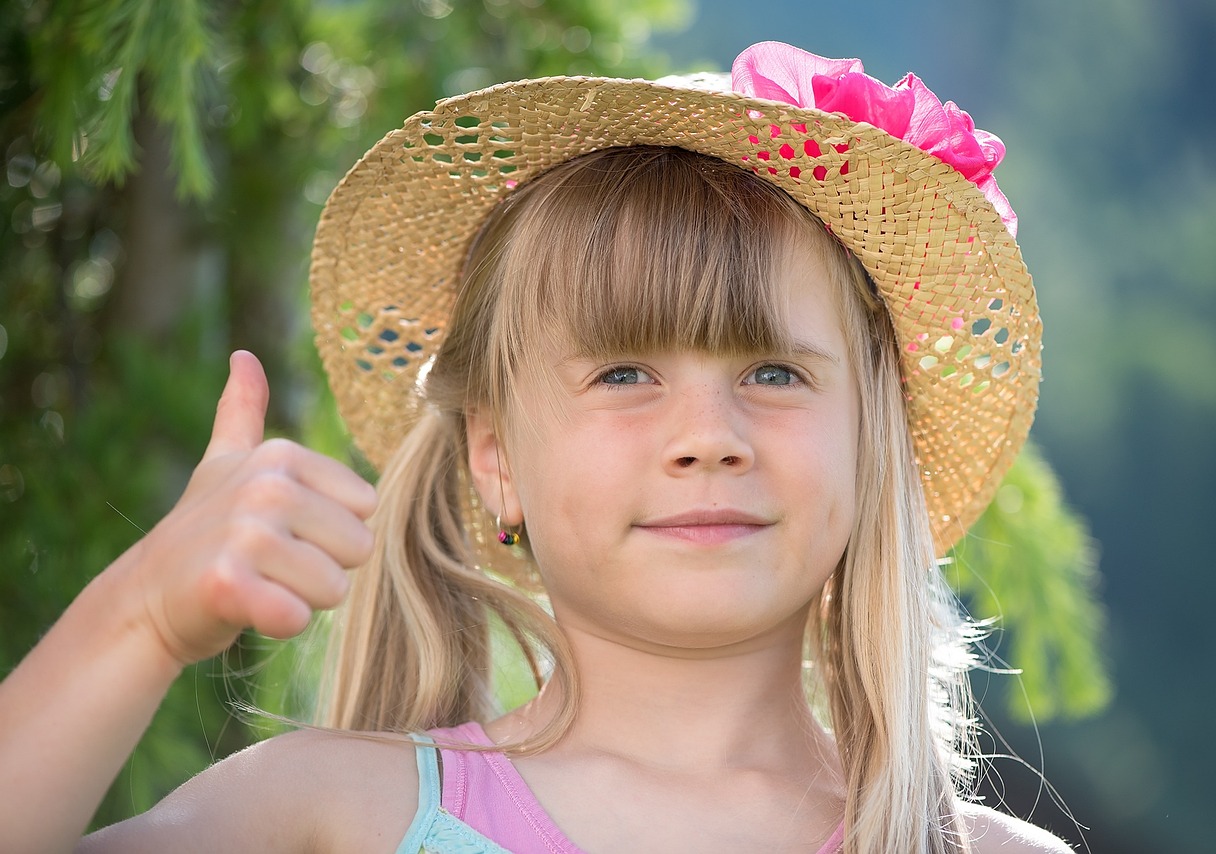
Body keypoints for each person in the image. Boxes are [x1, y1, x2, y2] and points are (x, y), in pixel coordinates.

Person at [0, 41, 1073, 853]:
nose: (707, 436)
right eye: (622, 373)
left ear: (868, 446)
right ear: (493, 456)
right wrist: (136, 619)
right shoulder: (327, 813)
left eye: (773, 372)